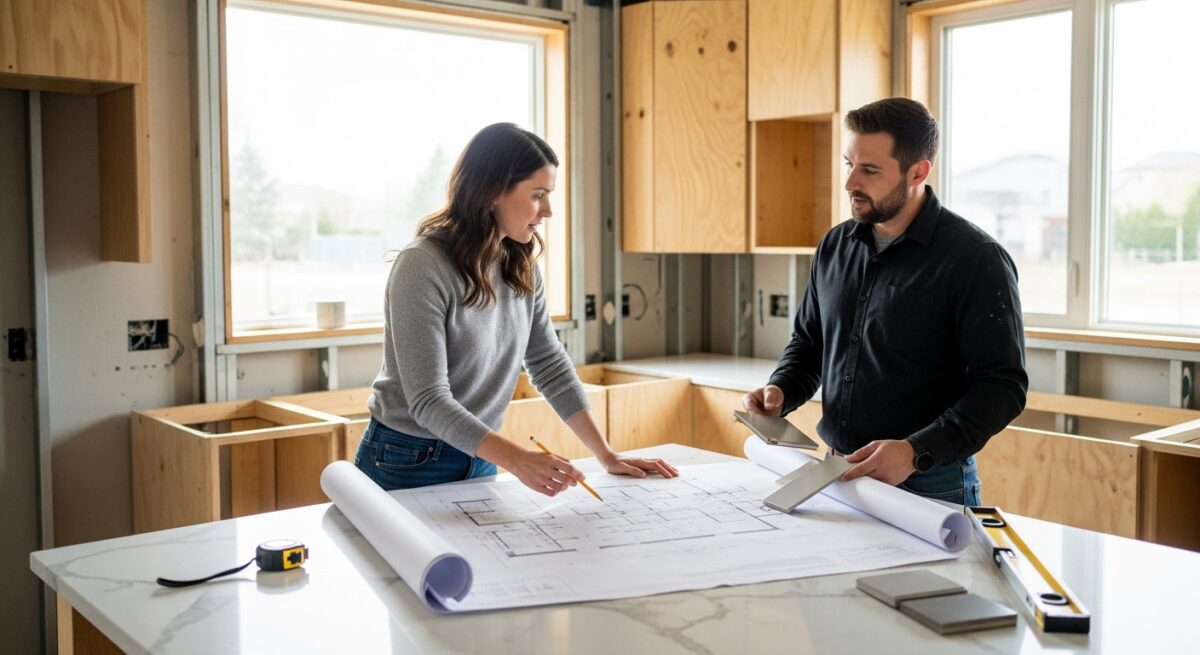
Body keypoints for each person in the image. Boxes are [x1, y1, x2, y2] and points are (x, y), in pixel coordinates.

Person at [356, 122, 678, 496]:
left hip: (480, 452)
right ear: (493, 192)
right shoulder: (421, 266)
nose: (549, 211)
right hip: (405, 458)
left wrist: (606, 455)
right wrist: (518, 460)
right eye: (538, 195)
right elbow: (429, 401)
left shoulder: (520, 264)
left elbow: (549, 364)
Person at [743, 98, 1027, 506]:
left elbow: (1003, 387)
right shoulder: (835, 246)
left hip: (930, 482)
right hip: (837, 470)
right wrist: (781, 390)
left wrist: (915, 451)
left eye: (869, 170)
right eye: (849, 164)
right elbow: (809, 345)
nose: (850, 183)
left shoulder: (975, 259)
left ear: (918, 172)